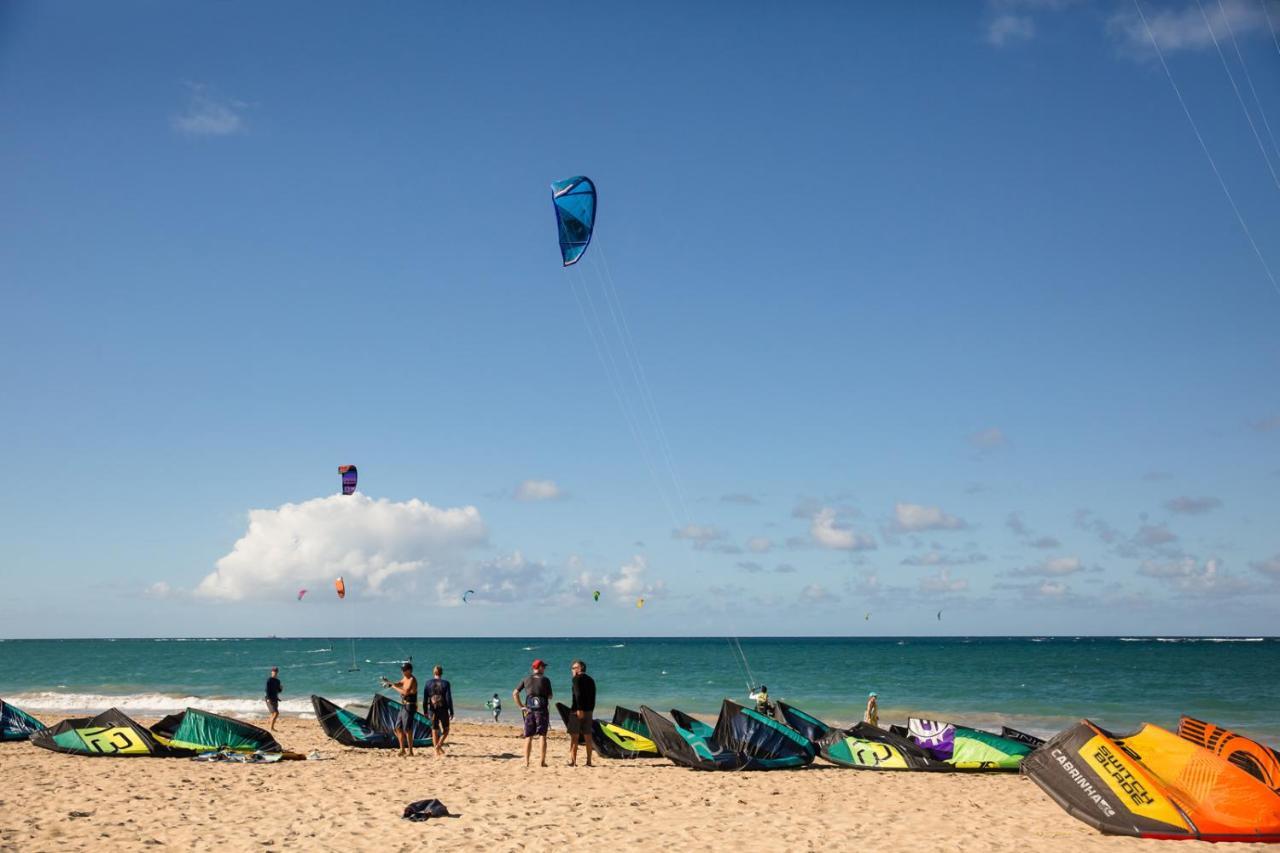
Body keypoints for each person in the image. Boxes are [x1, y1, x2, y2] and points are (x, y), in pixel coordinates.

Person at [513, 659, 553, 768]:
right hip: (542, 711)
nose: (544, 669)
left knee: (528, 736)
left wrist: (521, 706)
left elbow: (515, 693)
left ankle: (526, 762)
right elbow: (550, 696)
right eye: (543, 667)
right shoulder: (545, 680)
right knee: (542, 736)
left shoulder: (526, 679)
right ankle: (542, 761)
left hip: (529, 710)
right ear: (539, 667)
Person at [381, 662, 418, 757]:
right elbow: (399, 684)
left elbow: (405, 692)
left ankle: (410, 751)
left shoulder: (412, 680)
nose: (402, 672)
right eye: (402, 670)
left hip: (410, 706)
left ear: (409, 670)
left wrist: (392, 687)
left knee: (407, 729)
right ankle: (402, 749)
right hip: (404, 706)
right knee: (397, 727)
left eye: (404, 670)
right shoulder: (405, 678)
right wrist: (389, 682)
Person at [568, 659, 596, 767]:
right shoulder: (591, 680)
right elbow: (593, 697)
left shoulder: (576, 679)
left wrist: (579, 709)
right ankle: (589, 761)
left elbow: (578, 694)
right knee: (588, 737)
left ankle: (573, 761)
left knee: (574, 737)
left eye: (574, 668)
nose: (572, 670)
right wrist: (590, 709)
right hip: (589, 711)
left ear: (579, 669)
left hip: (577, 710)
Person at [423, 665, 454, 757]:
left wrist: (425, 711)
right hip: (443, 709)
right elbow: (448, 698)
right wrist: (451, 711)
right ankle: (439, 745)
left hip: (432, 709)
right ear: (442, 673)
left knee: (434, 730)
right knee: (446, 729)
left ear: (434, 673)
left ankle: (436, 750)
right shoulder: (446, 683)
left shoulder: (428, 683)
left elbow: (425, 699)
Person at [264, 667, 282, 732]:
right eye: (274, 671)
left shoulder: (278, 681)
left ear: (277, 672)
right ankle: (271, 728)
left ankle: (270, 727)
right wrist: (268, 698)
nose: (275, 672)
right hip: (269, 699)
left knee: (273, 714)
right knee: (276, 713)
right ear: (271, 672)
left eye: (276, 671)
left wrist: (281, 688)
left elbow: (278, 691)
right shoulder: (269, 680)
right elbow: (267, 690)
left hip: (275, 699)